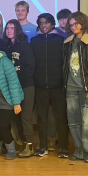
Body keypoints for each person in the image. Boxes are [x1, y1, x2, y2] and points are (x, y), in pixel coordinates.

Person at [63, 12, 88, 163]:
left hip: (87, 88)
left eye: (76, 24)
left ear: (83, 23)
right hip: (71, 88)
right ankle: (80, 150)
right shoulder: (68, 42)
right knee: (74, 122)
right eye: (71, 24)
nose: (74, 27)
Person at [31, 13, 68, 158]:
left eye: (46, 23)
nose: (43, 25)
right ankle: (43, 146)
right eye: (41, 23)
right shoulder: (34, 41)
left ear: (52, 24)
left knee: (60, 117)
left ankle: (63, 148)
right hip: (40, 86)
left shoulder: (61, 40)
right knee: (42, 118)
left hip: (58, 85)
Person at [3, 19, 35, 157]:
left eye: (12, 28)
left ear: (17, 30)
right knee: (16, 118)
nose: (9, 30)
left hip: (26, 86)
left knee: (26, 117)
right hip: (13, 88)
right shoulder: (7, 48)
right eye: (7, 28)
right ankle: (22, 144)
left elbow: (30, 66)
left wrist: (19, 84)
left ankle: (30, 146)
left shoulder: (25, 45)